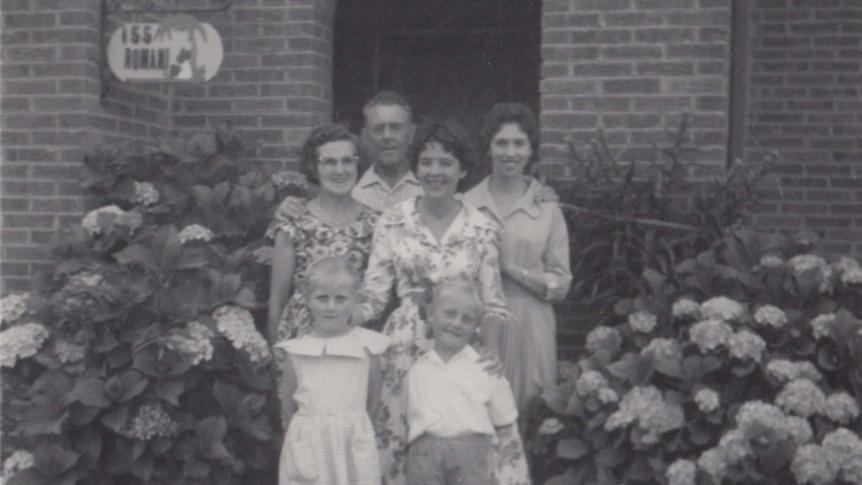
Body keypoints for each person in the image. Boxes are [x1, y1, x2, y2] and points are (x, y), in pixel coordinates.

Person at [353, 118, 529, 485]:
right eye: (427, 162)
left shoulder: (481, 228)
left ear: (463, 170)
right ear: (417, 167)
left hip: (463, 345)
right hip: (406, 348)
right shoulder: (394, 220)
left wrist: (490, 353)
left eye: (445, 163)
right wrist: (342, 316)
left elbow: (493, 302)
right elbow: (373, 292)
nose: (435, 172)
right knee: (405, 442)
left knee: (467, 443)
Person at [463, 103, 572, 417]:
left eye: (519, 143)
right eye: (502, 143)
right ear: (489, 148)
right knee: (478, 408)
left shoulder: (546, 208)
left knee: (531, 408)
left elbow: (561, 282)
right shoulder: (468, 204)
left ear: (530, 150)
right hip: (480, 320)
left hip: (531, 320)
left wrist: (511, 268)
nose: (510, 152)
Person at [273, 256, 390, 485]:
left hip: (352, 442)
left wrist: (359, 429)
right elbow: (287, 400)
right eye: (322, 298)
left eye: (340, 299)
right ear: (308, 300)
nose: (330, 307)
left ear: (355, 300)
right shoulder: (297, 350)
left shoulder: (367, 346)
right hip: (310, 444)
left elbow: (374, 398)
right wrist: (303, 431)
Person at [267, 124, 378, 343]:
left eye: (347, 161)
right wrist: (277, 356)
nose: (339, 170)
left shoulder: (376, 224)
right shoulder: (294, 224)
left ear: (358, 165)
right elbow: (277, 301)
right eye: (329, 162)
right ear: (313, 168)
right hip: (303, 341)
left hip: (355, 340)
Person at [406, 279, 519, 485]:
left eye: (466, 319)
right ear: (431, 315)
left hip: (471, 455)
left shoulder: (486, 368)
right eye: (449, 314)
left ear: (476, 327)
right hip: (424, 456)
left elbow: (505, 422)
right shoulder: (417, 370)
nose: (456, 323)